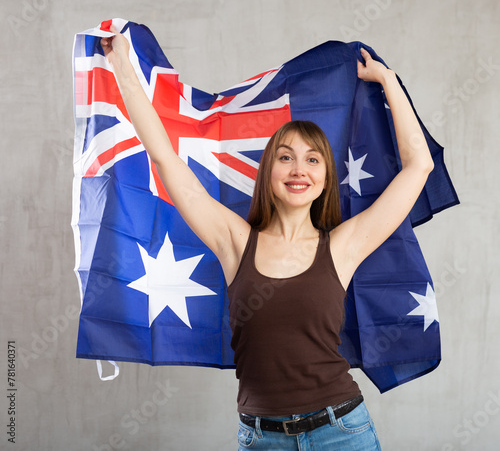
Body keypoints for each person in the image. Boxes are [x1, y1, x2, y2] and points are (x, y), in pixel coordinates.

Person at [101, 28, 434, 450]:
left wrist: (387, 80)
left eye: (313, 160)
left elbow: (418, 167)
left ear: (325, 179)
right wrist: (122, 68)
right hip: (261, 440)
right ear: (268, 173)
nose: (299, 169)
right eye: (285, 157)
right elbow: (164, 157)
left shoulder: (343, 246)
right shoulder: (235, 242)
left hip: (342, 432)